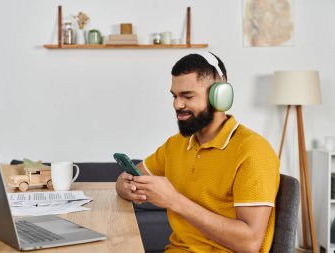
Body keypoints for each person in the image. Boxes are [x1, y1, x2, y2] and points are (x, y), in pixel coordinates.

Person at [115, 52, 280, 253]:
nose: (177, 104)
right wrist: (127, 187)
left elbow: (250, 243)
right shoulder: (176, 145)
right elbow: (126, 180)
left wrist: (174, 201)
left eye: (188, 96)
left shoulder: (253, 151)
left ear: (220, 95)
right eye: (175, 96)